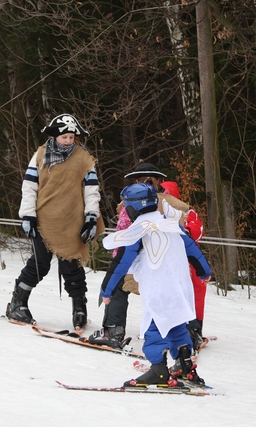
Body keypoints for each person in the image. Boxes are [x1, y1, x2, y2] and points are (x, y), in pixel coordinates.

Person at [101, 183, 212, 388]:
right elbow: (193, 250)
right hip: (180, 287)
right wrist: (204, 271)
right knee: (176, 324)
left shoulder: (138, 231)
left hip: (160, 289)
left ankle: (158, 371)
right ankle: (185, 366)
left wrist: (106, 290)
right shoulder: (171, 225)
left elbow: (121, 263)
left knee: (155, 328)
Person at [6, 114, 104, 330]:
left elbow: (91, 190)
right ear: (55, 136)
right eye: (64, 137)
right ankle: (17, 302)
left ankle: (79, 307)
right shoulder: (40, 155)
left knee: (71, 266)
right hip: (44, 220)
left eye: (71, 137)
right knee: (39, 263)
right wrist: (28, 215)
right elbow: (29, 186)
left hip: (72, 220)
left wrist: (91, 216)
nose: (68, 140)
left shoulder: (83, 158)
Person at [88, 162, 200, 350]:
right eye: (142, 180)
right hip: (167, 265)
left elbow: (124, 235)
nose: (146, 183)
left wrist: (119, 263)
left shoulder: (134, 203)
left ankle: (113, 330)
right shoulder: (172, 204)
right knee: (175, 294)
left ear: (158, 181)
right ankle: (189, 332)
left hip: (144, 263)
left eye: (150, 180)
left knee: (119, 288)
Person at [160, 180, 208, 351]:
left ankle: (194, 329)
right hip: (168, 260)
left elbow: (198, 229)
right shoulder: (158, 211)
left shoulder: (187, 211)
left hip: (189, 259)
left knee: (194, 293)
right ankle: (166, 329)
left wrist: (185, 232)